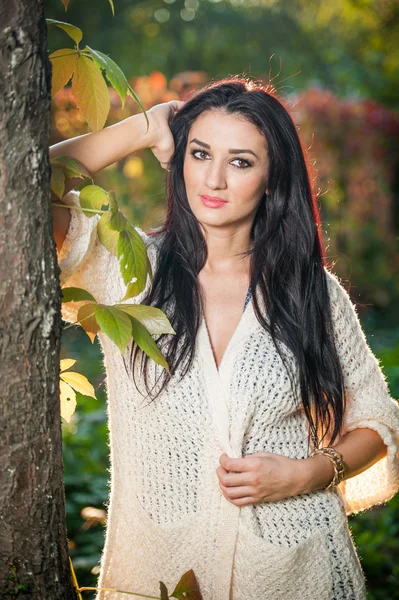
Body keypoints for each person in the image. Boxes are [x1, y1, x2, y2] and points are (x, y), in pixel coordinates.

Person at [51, 78, 399, 600]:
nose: (213, 178)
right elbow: (22, 183)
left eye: (240, 161)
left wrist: (307, 475)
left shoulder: (313, 294)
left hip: (292, 573)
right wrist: (143, 127)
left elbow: (378, 419)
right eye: (199, 153)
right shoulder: (126, 270)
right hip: (158, 572)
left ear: (271, 178)